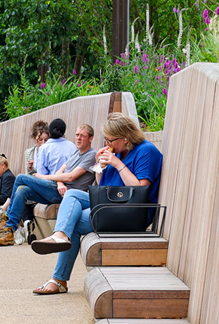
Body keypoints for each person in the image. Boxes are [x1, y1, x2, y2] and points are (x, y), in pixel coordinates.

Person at [29, 113, 163, 295]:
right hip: (111, 203)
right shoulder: (119, 151)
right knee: (72, 195)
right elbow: (102, 187)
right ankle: (60, 235)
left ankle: (59, 279)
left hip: (132, 211)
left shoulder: (146, 151)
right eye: (105, 140)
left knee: (73, 223)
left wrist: (117, 164)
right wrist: (99, 167)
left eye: (110, 140)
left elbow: (140, 190)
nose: (107, 144)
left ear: (125, 137)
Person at [0, 120, 96, 247]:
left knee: (20, 178)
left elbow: (70, 176)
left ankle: (6, 219)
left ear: (90, 138)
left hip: (67, 195)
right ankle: (9, 232)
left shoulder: (92, 155)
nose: (78, 138)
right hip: (57, 188)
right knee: (22, 190)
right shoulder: (75, 151)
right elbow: (60, 171)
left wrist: (44, 177)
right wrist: (59, 183)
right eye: (77, 135)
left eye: (82, 136)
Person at [0, 120, 48, 222]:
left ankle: (4, 211)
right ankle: (20, 223)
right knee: (20, 189)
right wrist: (30, 169)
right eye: (40, 140)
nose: (43, 143)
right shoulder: (29, 152)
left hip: (44, 185)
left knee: (19, 180)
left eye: (46, 140)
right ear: (34, 139)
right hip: (34, 185)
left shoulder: (50, 150)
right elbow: (29, 176)